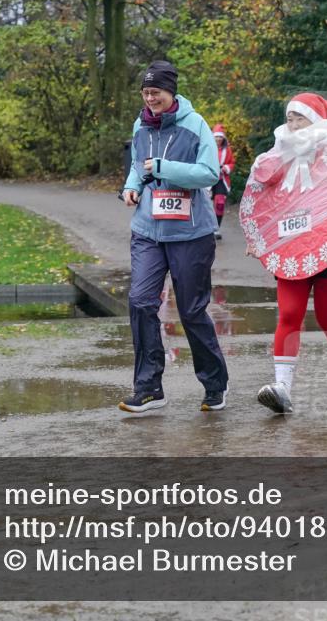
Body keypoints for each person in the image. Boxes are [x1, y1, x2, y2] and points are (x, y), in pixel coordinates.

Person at [239, 93, 327, 414]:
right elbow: (264, 201)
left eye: (299, 118)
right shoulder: (275, 159)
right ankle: (282, 388)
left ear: (315, 121)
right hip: (291, 249)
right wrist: (258, 235)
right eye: (289, 118)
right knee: (289, 314)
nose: (291, 124)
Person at [118, 60, 229, 414]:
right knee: (140, 302)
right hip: (148, 230)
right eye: (145, 92)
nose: (150, 99)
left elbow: (209, 173)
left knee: (191, 310)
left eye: (157, 93)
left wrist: (164, 169)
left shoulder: (196, 125)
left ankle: (215, 385)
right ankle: (149, 388)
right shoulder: (140, 125)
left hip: (190, 233)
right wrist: (131, 188)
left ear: (172, 92)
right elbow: (138, 165)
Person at [211, 124, 235, 240]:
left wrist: (225, 168)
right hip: (208, 179)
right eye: (216, 137)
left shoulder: (227, 150)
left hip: (222, 179)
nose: (218, 139)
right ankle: (204, 229)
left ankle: (216, 229)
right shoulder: (207, 147)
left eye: (220, 137)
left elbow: (232, 163)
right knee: (204, 205)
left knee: (219, 203)